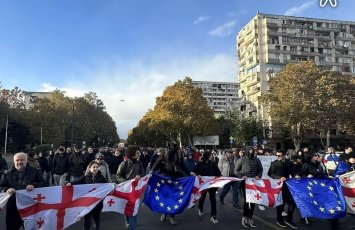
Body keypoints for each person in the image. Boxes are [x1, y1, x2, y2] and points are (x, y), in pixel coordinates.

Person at [0, 152, 45, 230]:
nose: (19, 162)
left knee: (32, 228)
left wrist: (34, 185)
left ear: (26, 160)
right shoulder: (7, 174)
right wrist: (7, 189)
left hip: (30, 208)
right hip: (13, 208)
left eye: (22, 160)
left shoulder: (35, 171)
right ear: (14, 161)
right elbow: (1, 186)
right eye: (17, 160)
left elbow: (43, 183)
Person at [152, 143, 190, 225]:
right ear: (170, 147)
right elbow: (157, 162)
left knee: (173, 197)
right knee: (166, 197)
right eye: (174, 147)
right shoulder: (164, 152)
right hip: (166, 177)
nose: (176, 148)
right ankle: (164, 213)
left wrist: (189, 172)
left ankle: (172, 217)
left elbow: (182, 165)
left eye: (177, 147)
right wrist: (152, 170)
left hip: (175, 178)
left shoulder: (179, 153)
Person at [66, 161, 107, 230]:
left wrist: (112, 186)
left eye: (97, 167)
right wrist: (69, 183)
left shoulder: (102, 178)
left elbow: (107, 186)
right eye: (93, 167)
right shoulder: (85, 177)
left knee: (96, 221)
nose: (95, 168)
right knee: (87, 221)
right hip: (87, 204)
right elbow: (76, 182)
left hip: (97, 203)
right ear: (90, 168)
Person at [268, 149, 299, 229]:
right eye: (276, 155)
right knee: (280, 204)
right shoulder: (274, 163)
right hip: (279, 187)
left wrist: (296, 175)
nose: (277, 157)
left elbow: (293, 172)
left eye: (279, 155)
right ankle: (279, 220)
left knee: (292, 204)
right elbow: (270, 173)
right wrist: (279, 177)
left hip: (289, 186)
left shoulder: (289, 163)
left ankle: (289, 219)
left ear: (284, 155)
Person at [116, 145, 145, 230]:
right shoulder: (124, 163)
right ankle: (127, 220)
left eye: (139, 153)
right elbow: (118, 176)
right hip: (126, 189)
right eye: (137, 153)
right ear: (132, 153)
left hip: (136, 189)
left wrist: (140, 175)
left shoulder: (139, 163)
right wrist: (126, 182)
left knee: (134, 208)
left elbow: (143, 172)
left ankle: (132, 227)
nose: (139, 154)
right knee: (127, 206)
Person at [235, 147, 263, 228]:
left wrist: (258, 175)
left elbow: (260, 170)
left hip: (254, 182)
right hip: (245, 182)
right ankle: (244, 217)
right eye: (249, 152)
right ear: (246, 152)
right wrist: (242, 176)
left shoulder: (257, 160)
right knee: (247, 200)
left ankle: (250, 218)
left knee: (253, 200)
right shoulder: (241, 159)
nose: (251, 153)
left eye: (252, 152)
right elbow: (236, 170)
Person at [193, 150, 222, 224]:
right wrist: (198, 174)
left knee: (213, 200)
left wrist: (220, 178)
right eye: (210, 155)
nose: (212, 156)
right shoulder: (200, 164)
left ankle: (213, 216)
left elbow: (218, 173)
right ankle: (200, 208)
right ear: (206, 156)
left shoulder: (213, 164)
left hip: (212, 185)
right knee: (202, 197)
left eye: (212, 155)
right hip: (203, 185)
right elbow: (194, 172)